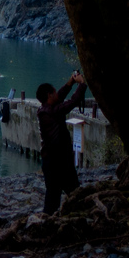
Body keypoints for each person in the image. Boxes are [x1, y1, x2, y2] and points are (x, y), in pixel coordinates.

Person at [37, 71, 89, 214]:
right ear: (49, 95)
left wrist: (70, 83)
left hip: (58, 159)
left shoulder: (46, 109)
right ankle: (49, 220)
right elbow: (72, 102)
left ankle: (77, 214)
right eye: (54, 92)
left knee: (71, 191)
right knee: (55, 195)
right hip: (55, 161)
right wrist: (82, 84)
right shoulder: (51, 112)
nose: (56, 94)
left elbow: (60, 97)